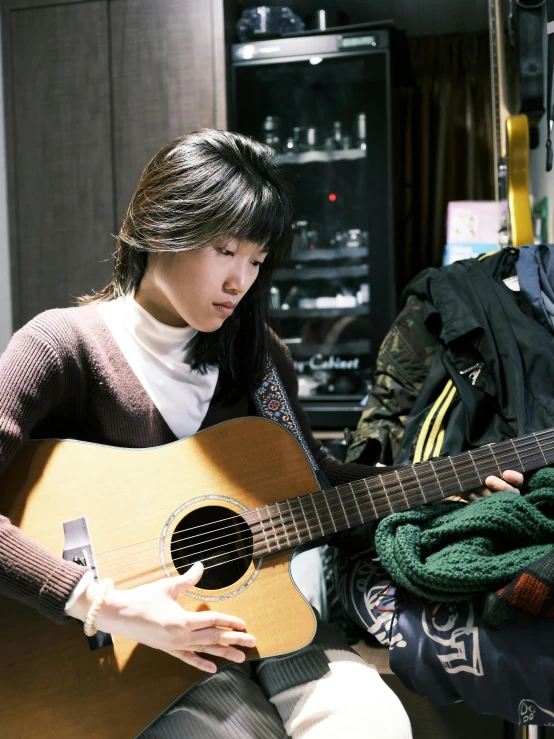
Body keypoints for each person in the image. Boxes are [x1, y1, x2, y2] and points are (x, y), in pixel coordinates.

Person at [0, 129, 520, 738]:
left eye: (257, 260)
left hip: (262, 625)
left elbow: (312, 478)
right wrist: (98, 602)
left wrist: (443, 490)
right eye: (225, 249)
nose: (240, 282)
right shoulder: (60, 347)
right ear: (161, 226)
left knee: (373, 723)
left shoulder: (258, 354)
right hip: (125, 654)